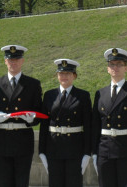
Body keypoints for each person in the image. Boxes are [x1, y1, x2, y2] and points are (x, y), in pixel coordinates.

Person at [0, 45, 43, 187]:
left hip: (23, 139)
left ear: (22, 60)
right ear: (5, 61)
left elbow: (39, 111)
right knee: (3, 182)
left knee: (21, 182)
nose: (13, 62)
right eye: (10, 59)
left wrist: (32, 118)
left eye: (17, 59)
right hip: (3, 139)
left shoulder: (33, 84)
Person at [92, 48, 127, 187]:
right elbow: (95, 125)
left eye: (119, 64)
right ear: (108, 68)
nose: (115, 67)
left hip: (126, 150)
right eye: (112, 64)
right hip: (104, 149)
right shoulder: (100, 93)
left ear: (126, 68)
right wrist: (93, 152)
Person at [39, 58, 92, 187]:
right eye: (61, 74)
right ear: (57, 75)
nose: (64, 77)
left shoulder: (82, 96)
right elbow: (44, 125)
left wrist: (87, 153)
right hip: (53, 148)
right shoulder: (49, 95)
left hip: (74, 149)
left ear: (74, 76)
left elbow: (89, 126)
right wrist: (41, 151)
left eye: (68, 74)